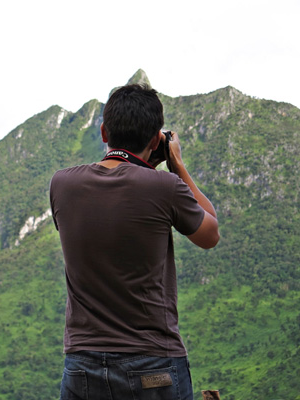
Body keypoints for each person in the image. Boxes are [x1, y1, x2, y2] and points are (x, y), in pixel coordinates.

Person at [49, 83, 219, 400]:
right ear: (156, 139)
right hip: (153, 363)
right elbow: (210, 234)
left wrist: (144, 170)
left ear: (103, 132)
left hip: (82, 365)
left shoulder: (62, 184)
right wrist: (177, 165)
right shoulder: (165, 187)